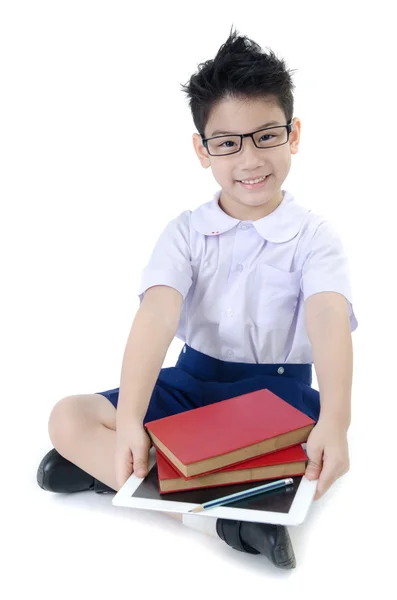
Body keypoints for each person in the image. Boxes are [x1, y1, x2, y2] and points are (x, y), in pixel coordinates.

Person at [36, 26, 358, 570]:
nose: (249, 159)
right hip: (190, 383)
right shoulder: (186, 232)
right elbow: (156, 316)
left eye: (266, 136)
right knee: (68, 416)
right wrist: (132, 420)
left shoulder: (315, 236)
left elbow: (327, 316)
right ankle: (219, 518)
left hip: (276, 400)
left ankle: (120, 475)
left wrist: (338, 422)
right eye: (228, 142)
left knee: (307, 464)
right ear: (202, 150)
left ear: (294, 134)